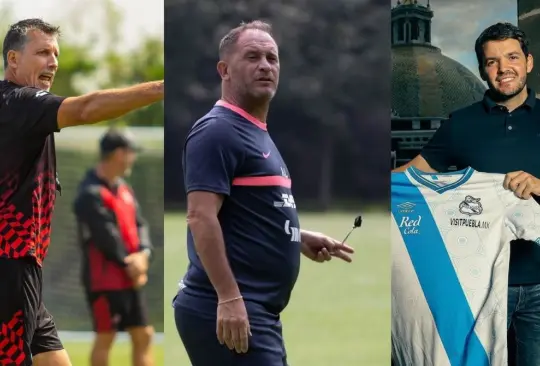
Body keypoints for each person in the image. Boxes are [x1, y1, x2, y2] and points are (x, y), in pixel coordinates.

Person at [173, 20, 355, 366]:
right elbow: (200, 216)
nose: (265, 65)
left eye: (272, 58)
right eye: (253, 56)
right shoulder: (217, 131)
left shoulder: (255, 131)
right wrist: (228, 297)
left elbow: (244, 211)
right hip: (227, 307)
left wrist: (296, 237)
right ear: (224, 70)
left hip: (256, 310)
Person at [0, 18, 163, 366]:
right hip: (9, 266)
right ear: (13, 59)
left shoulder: (18, 110)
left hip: (22, 267)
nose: (53, 62)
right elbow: (86, 108)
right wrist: (160, 88)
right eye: (42, 52)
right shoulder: (20, 103)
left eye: (55, 53)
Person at [393, 22, 540, 365]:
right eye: (492, 62)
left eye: (512, 57)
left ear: (529, 62)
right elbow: (410, 176)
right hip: (478, 289)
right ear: (482, 69)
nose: (503, 69)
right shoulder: (459, 123)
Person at [73, 129, 155, 366]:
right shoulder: (89, 193)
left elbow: (141, 225)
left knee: (143, 334)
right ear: (119, 154)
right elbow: (105, 236)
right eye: (130, 153)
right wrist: (130, 264)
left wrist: (145, 255)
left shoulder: (124, 188)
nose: (133, 158)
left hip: (131, 276)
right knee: (106, 337)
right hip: (104, 280)